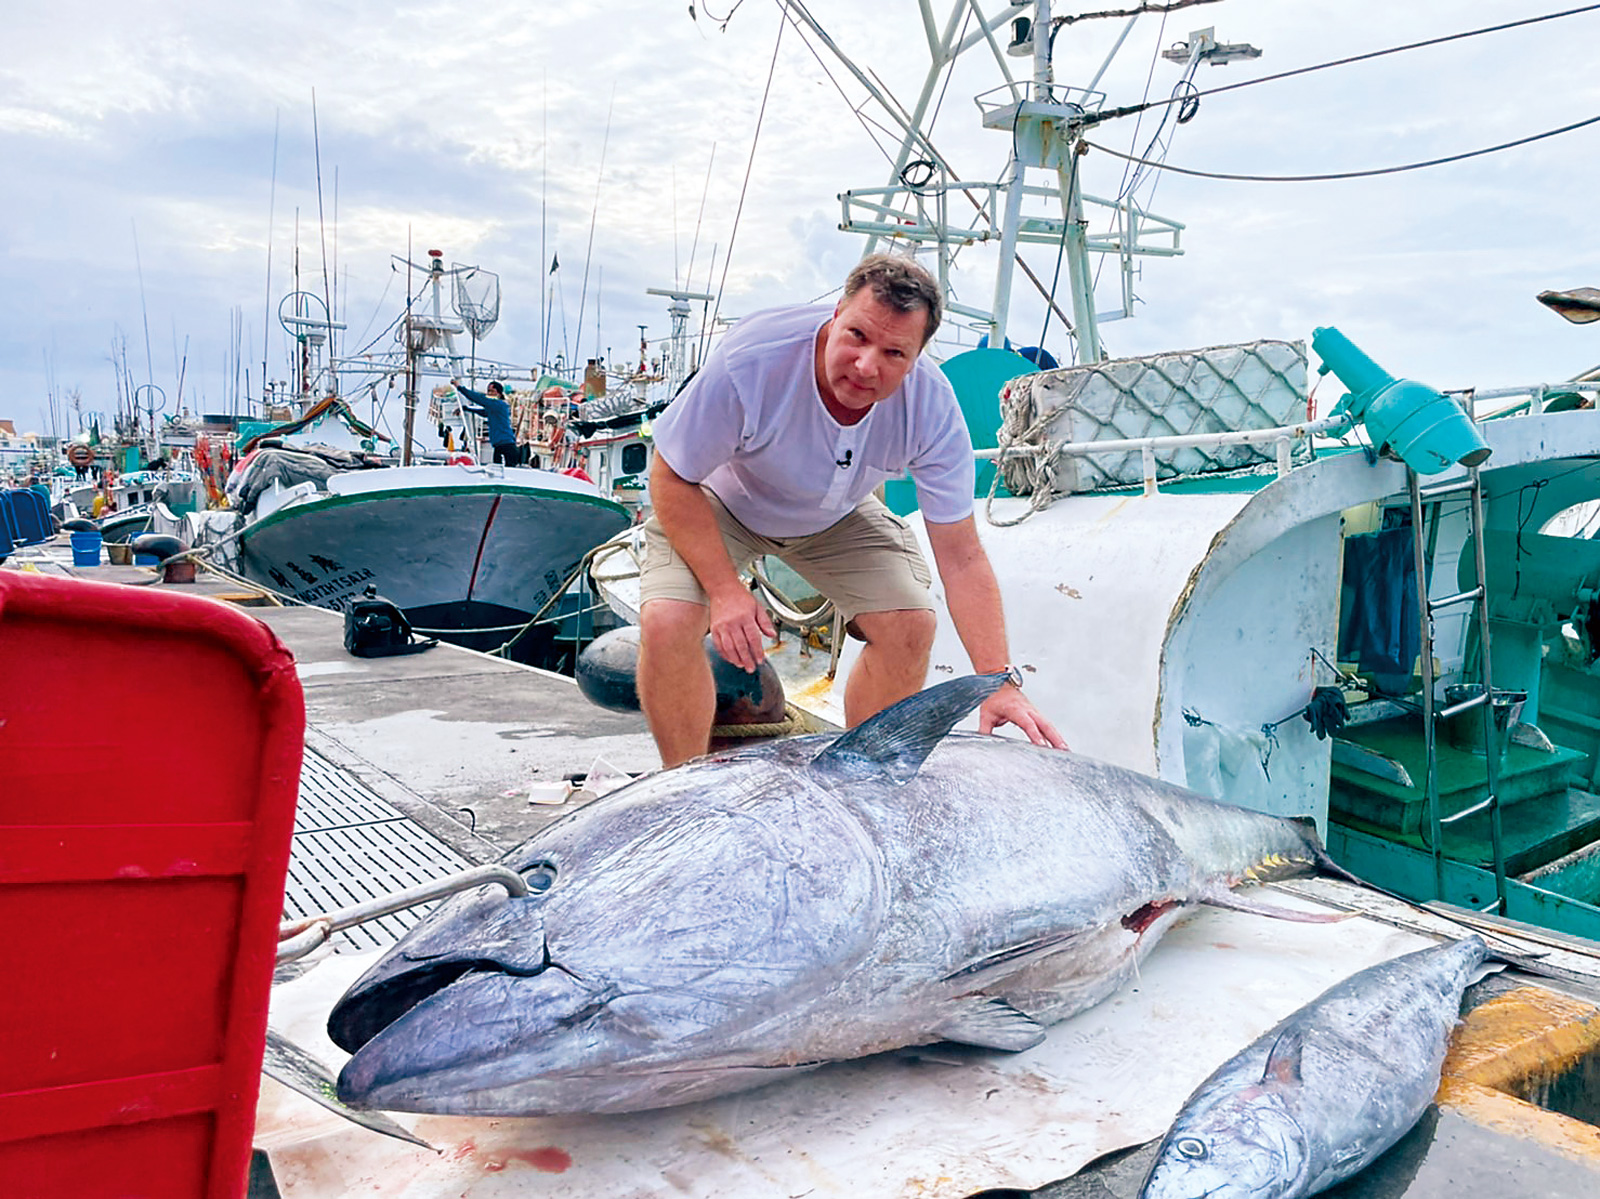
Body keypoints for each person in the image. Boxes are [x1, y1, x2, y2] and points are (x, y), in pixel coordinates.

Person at [637, 252, 1067, 768]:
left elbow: (962, 558)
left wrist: (997, 681)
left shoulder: (931, 408)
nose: (867, 366)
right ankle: (682, 785)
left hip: (835, 512)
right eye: (857, 336)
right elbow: (670, 473)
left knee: (910, 624)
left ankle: (858, 782)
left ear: (915, 360)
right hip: (722, 499)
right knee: (667, 620)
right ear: (835, 313)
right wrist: (725, 591)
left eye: (893, 352)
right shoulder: (753, 358)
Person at [453, 379, 522, 466]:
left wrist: (459, 387)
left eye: (492, 391)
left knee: (506, 471)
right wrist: (467, 408)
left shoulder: (498, 404)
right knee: (497, 470)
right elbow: (485, 412)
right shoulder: (495, 407)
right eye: (488, 391)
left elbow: (478, 398)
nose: (489, 393)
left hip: (506, 445)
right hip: (499, 445)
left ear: (499, 393)